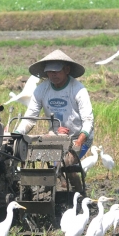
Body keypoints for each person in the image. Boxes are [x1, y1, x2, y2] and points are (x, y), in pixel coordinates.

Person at [13, 49, 94, 192]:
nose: (53, 75)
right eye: (50, 72)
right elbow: (30, 117)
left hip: (78, 137)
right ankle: (58, 191)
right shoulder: (41, 90)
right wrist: (17, 133)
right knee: (54, 164)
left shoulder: (78, 90)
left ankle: (78, 193)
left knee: (64, 163)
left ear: (67, 70)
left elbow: (88, 120)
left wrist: (79, 141)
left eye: (56, 71)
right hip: (56, 136)